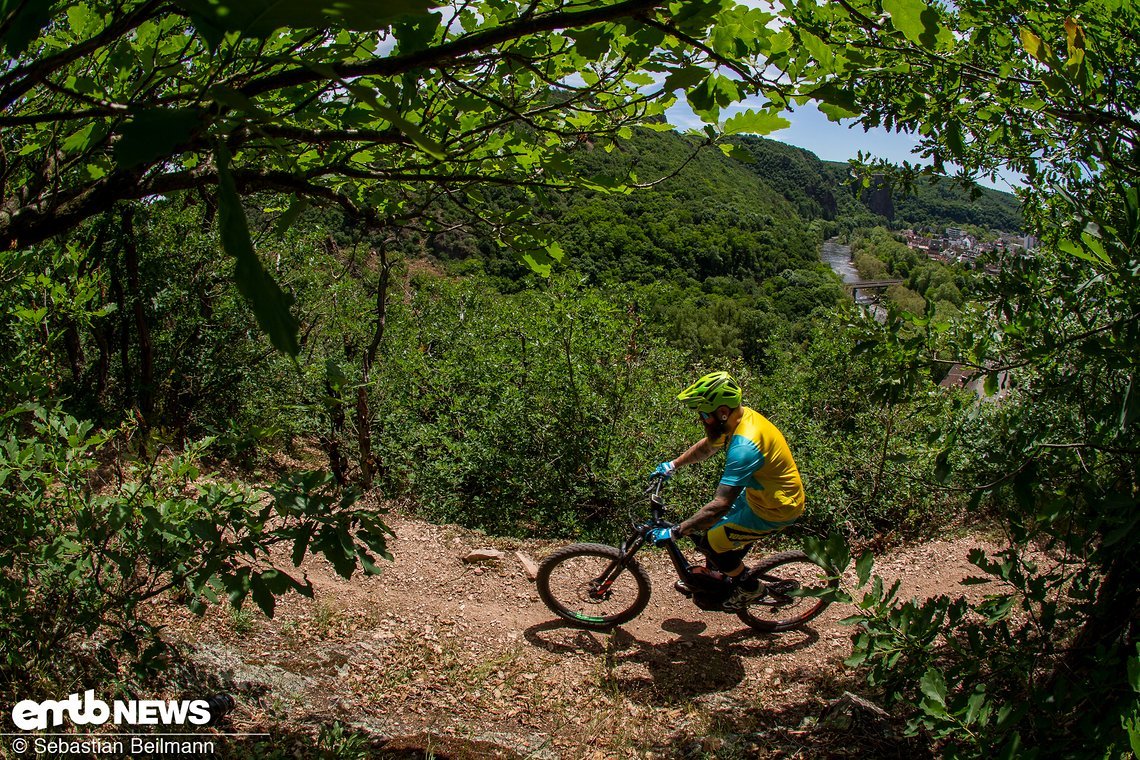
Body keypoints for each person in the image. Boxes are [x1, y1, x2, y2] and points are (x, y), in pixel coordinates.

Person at [648, 371, 805, 610]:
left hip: (775, 508)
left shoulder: (745, 446)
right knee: (707, 530)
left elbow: (720, 505)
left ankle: (750, 589)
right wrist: (673, 465)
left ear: (722, 412)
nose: (701, 419)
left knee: (711, 543)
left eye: (703, 414)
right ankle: (716, 575)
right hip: (760, 494)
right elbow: (708, 446)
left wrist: (676, 532)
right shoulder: (737, 418)